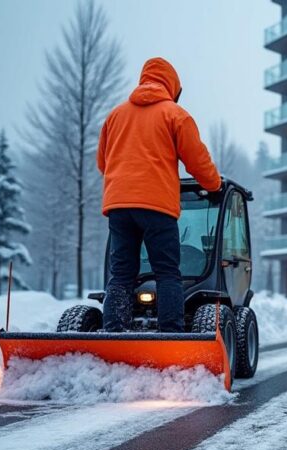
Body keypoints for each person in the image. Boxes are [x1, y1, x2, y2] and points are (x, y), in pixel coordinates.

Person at [96, 57, 222, 332]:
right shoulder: (175, 115)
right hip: (156, 207)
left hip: (118, 206)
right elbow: (197, 161)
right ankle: (170, 334)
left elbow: (103, 163)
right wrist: (213, 185)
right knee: (167, 272)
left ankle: (114, 332)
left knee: (121, 274)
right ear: (172, 87)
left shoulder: (115, 116)